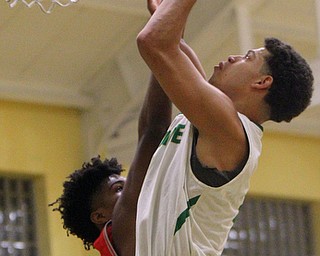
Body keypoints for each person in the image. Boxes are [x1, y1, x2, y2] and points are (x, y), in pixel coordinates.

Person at [135, 0, 314, 255]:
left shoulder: (229, 130)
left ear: (263, 81)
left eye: (247, 57)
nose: (233, 57)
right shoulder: (215, 119)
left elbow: (153, 42)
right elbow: (172, 47)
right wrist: (164, 12)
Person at [49, 72, 172, 255]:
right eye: (118, 189)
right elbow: (155, 130)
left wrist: (162, 60)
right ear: (100, 216)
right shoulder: (122, 231)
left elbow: (150, 131)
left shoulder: (126, 235)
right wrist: (163, 57)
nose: (131, 188)